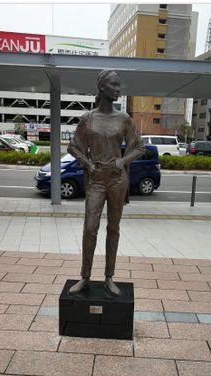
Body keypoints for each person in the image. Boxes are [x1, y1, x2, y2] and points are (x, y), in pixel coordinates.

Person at [67, 69, 144, 296]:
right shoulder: (88, 119)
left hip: (117, 180)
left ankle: (109, 277)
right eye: (114, 85)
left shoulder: (124, 119)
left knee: (113, 228)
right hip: (96, 180)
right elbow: (73, 146)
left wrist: (124, 160)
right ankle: (85, 277)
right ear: (102, 88)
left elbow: (139, 146)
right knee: (90, 229)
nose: (118, 89)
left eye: (119, 85)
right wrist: (87, 163)